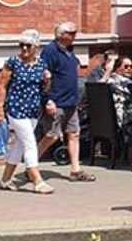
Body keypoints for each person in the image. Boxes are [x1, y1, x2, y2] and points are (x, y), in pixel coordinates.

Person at [0, 30, 54, 193]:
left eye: (28, 45)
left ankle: (6, 179)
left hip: (33, 110)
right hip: (16, 109)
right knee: (30, 143)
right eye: (21, 45)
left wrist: (48, 81)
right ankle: (38, 181)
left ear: (36, 47)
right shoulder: (13, 62)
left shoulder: (42, 64)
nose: (24, 49)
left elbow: (44, 89)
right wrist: (0, 109)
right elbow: (2, 86)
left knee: (19, 146)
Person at [37, 22, 96, 182]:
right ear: (61, 34)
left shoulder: (69, 50)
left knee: (74, 134)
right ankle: (32, 163)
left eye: (75, 33)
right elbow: (43, 77)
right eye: (71, 33)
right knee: (52, 135)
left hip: (71, 102)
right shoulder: (50, 51)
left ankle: (75, 170)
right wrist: (48, 100)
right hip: (56, 101)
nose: (74, 36)